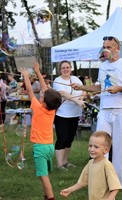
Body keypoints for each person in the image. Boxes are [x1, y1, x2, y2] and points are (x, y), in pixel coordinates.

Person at [71, 36, 122, 191]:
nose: (106, 49)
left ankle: (119, 184)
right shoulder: (102, 66)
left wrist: (119, 88)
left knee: (120, 148)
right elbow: (98, 87)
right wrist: (81, 87)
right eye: (104, 46)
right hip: (105, 111)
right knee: (100, 145)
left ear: (117, 49)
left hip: (121, 111)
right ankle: (101, 180)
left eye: (109, 47)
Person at [18, 62, 62, 200]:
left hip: (41, 148)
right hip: (49, 146)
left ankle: (50, 198)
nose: (41, 95)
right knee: (43, 175)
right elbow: (45, 90)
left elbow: (30, 91)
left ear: (44, 102)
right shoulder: (52, 110)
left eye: (42, 96)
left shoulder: (37, 107)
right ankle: (46, 196)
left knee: (44, 177)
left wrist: (25, 76)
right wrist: (37, 72)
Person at [60, 131, 121, 200]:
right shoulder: (90, 163)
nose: (92, 149)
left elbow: (115, 187)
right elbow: (82, 182)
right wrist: (70, 190)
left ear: (106, 150)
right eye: (90, 146)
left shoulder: (106, 165)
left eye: (96, 147)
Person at [53, 60, 85, 170]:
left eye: (68, 67)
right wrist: (78, 101)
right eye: (63, 68)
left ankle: (65, 162)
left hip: (74, 114)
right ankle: (59, 164)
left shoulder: (76, 79)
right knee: (62, 138)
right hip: (62, 115)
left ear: (71, 68)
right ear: (60, 70)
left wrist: (82, 97)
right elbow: (64, 94)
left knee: (69, 139)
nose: (66, 69)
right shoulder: (57, 80)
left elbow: (83, 90)